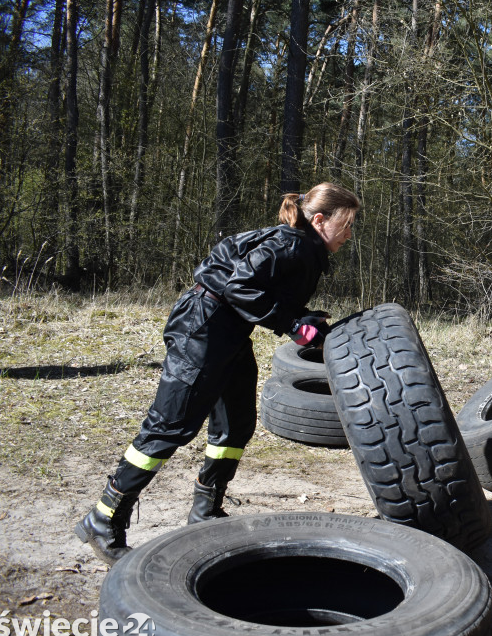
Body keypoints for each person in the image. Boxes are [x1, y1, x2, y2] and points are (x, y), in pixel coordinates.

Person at [74, 182, 360, 565]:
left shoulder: (299, 246)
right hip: (203, 328)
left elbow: (259, 290)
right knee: (168, 426)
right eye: (347, 223)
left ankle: (204, 511)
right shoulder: (290, 244)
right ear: (321, 220)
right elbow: (238, 285)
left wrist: (301, 318)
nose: (349, 234)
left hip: (229, 331)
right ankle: (104, 518)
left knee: (236, 424)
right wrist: (293, 324)